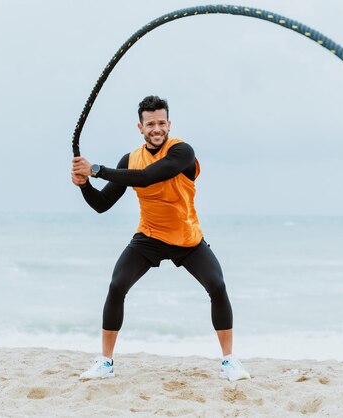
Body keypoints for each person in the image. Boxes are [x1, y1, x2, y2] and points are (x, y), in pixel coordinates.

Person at [71, 95, 250, 382]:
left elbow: (146, 177)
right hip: (149, 236)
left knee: (217, 285)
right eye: (150, 123)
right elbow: (102, 204)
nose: (157, 128)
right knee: (117, 285)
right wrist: (84, 183)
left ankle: (229, 361)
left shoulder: (182, 152)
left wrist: (96, 169)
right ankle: (105, 362)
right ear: (140, 128)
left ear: (169, 124)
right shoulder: (129, 159)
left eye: (161, 122)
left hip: (187, 238)